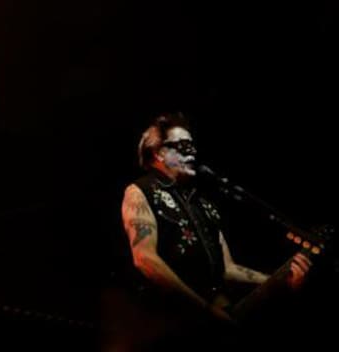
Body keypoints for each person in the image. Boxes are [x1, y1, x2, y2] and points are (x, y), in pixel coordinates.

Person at [112, 113, 311, 349]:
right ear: (159, 152)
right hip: (163, 326)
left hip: (206, 324)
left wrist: (278, 280)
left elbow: (227, 268)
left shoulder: (203, 204)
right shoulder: (139, 191)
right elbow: (145, 259)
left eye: (192, 146)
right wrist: (205, 309)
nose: (192, 153)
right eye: (183, 146)